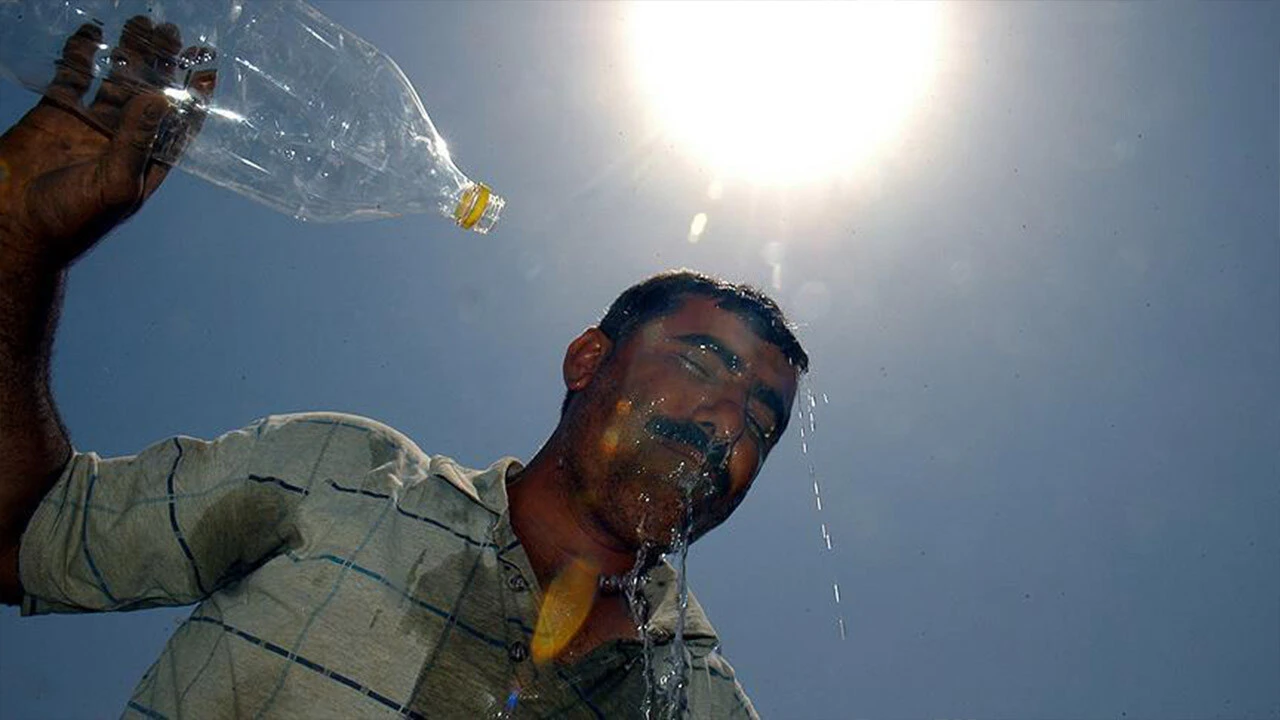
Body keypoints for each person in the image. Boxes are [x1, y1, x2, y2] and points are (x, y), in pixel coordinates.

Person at [0, 18, 808, 720]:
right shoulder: (336, 479)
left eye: (763, 422)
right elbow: (25, 536)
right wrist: (18, 235)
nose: (728, 422)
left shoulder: (699, 701)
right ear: (588, 359)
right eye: (704, 361)